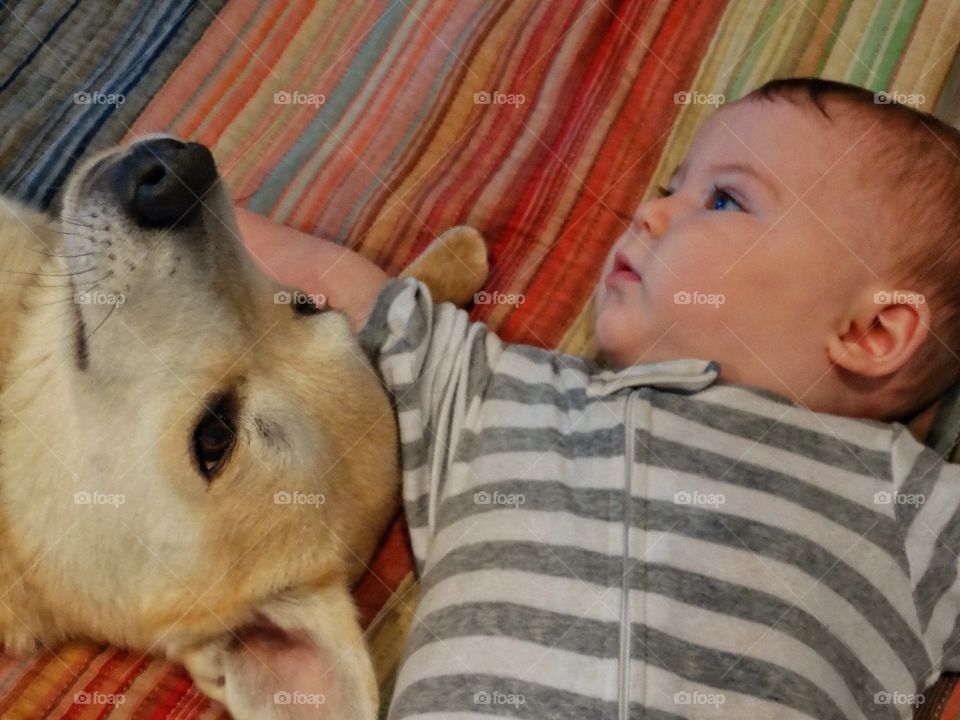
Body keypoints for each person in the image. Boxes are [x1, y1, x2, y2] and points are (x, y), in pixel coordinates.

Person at [238, 77, 960, 719]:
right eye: (672, 185)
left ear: (872, 330)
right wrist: (175, 202)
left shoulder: (907, 501)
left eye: (722, 198)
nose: (650, 210)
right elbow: (351, 295)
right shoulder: (512, 396)